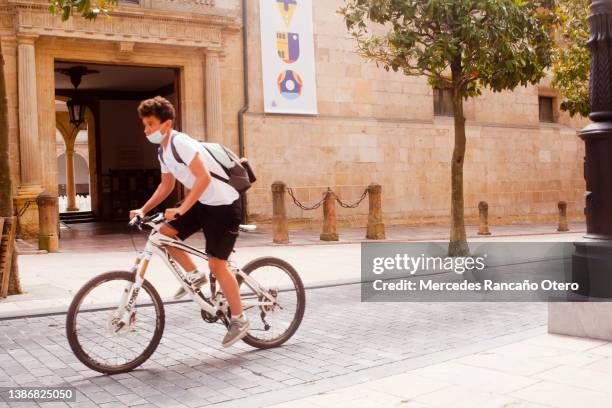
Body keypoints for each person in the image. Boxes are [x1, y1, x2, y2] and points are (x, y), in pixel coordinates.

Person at [129, 96, 249, 348]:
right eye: (144, 125)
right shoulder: (162, 149)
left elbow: (203, 178)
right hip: (203, 203)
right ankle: (195, 275)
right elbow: (166, 184)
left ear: (167, 123)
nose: (146, 130)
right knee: (163, 234)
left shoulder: (180, 142)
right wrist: (143, 209)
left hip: (225, 205)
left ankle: (239, 319)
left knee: (217, 265)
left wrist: (182, 208)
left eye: (150, 124)